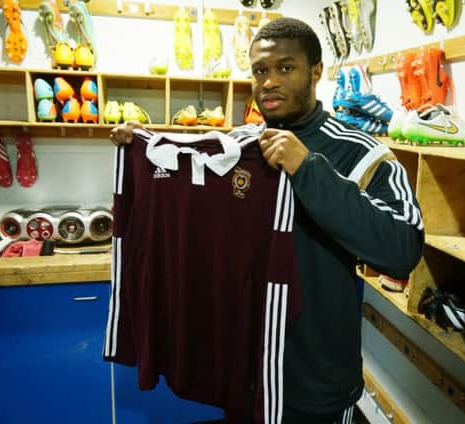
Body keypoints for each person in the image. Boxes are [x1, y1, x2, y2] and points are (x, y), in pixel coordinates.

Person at [110, 17, 424, 424]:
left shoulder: (364, 154)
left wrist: (307, 169)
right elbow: (190, 175)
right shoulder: (240, 145)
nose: (269, 82)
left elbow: (402, 250)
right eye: (260, 71)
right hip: (245, 370)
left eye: (285, 68)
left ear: (315, 73)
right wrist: (144, 145)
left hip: (314, 382)